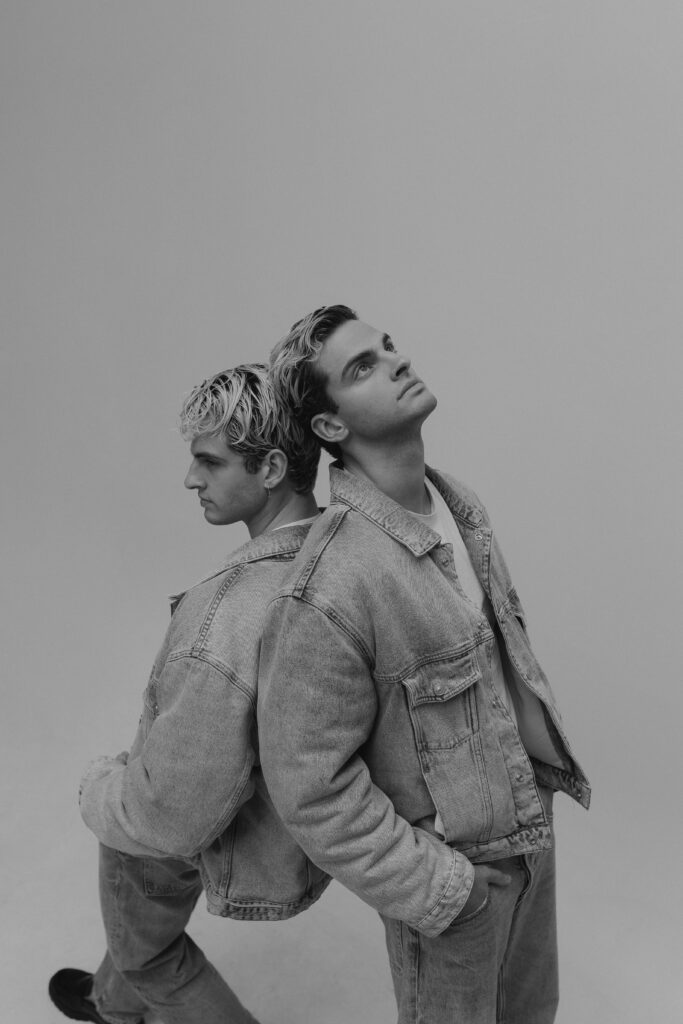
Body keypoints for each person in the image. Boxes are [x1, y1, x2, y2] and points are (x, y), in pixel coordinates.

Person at [257, 306, 591, 1024]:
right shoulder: (333, 580)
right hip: (457, 876)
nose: (397, 361)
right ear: (329, 425)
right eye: (363, 368)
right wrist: (441, 888)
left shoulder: (458, 505)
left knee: (534, 1014)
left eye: (387, 347)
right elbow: (307, 786)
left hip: (528, 831)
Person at [49, 364, 328, 1024]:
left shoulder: (228, 616)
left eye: (210, 461)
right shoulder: (335, 554)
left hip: (184, 831)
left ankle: (122, 1001)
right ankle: (110, 1003)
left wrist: (97, 787)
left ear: (270, 468)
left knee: (149, 958)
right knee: (139, 934)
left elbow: (168, 820)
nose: (190, 479)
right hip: (261, 818)